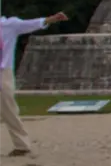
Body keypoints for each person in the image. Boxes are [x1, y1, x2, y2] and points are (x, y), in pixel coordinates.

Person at [1, 10, 69, 156]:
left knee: (9, 109)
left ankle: (22, 145)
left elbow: (31, 24)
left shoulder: (10, 25)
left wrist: (52, 19)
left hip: (3, 72)